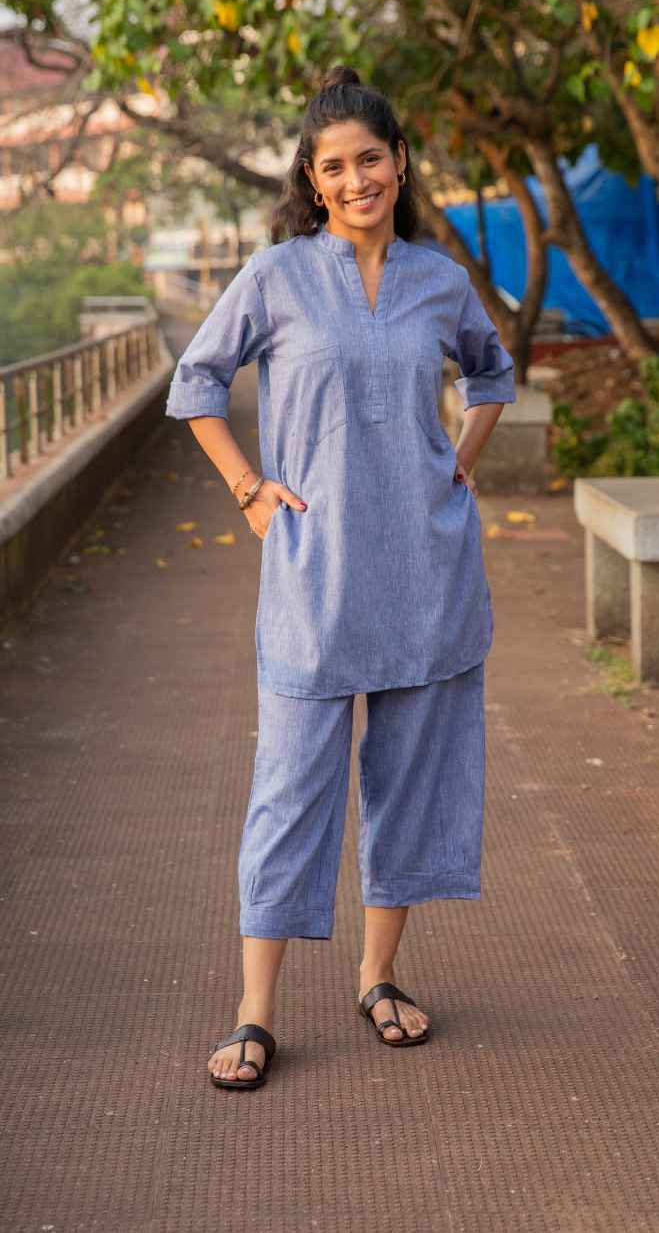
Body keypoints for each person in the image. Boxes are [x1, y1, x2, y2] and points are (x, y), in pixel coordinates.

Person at [166, 66, 515, 1089]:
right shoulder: (276, 277)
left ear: (400, 163)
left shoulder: (439, 281)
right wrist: (248, 489)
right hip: (313, 580)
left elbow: (491, 371)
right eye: (334, 166)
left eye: (371, 158)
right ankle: (256, 1012)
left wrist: (460, 461)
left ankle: (378, 978)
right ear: (312, 182)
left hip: (426, 572)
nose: (356, 178)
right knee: (288, 789)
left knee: (406, 786)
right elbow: (196, 381)